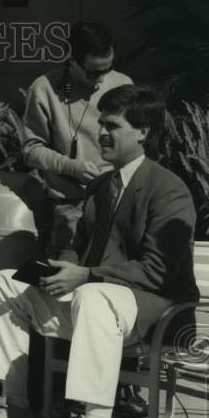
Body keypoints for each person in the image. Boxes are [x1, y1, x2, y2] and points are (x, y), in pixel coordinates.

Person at [0, 85, 199, 418]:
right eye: (101, 123)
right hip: (100, 300)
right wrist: (62, 267)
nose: (102, 133)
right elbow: (77, 247)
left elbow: (158, 269)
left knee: (93, 296)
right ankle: (15, 406)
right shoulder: (101, 186)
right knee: (6, 281)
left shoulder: (169, 189)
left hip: (155, 313)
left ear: (142, 132)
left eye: (113, 125)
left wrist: (87, 275)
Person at [21, 21, 133, 256]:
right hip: (70, 208)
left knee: (109, 283)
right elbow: (31, 149)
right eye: (94, 72)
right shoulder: (44, 89)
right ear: (72, 59)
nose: (102, 79)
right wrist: (70, 166)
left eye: (108, 69)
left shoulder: (123, 85)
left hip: (116, 204)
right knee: (59, 282)